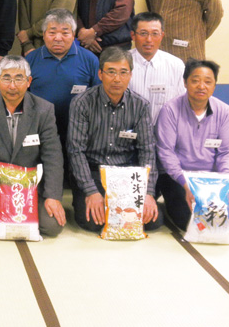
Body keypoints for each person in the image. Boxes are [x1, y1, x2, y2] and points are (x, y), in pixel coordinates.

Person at [0, 55, 66, 238]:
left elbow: (53, 155)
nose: (12, 86)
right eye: (6, 78)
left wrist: (52, 196)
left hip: (30, 187)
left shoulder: (44, 110)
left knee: (52, 226)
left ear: (29, 81)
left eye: (19, 78)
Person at [67, 46, 163, 233]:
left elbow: (147, 150)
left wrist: (148, 193)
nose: (117, 79)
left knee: (152, 222)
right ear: (100, 74)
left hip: (126, 173)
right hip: (94, 170)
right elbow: (75, 150)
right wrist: (91, 192)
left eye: (123, 72)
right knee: (93, 221)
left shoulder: (140, 105)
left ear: (130, 75)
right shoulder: (82, 103)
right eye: (111, 72)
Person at [156, 59, 229, 230]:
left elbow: (228, 153)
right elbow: (166, 152)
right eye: (195, 80)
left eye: (208, 81)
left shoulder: (224, 111)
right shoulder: (170, 110)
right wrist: (186, 185)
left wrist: (226, 184)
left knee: (220, 224)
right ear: (185, 82)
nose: (202, 86)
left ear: (215, 85)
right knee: (190, 222)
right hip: (178, 178)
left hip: (209, 179)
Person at [26, 9, 99, 151]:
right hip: (39, 132)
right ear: (44, 34)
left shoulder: (90, 60)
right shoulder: (30, 60)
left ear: (73, 35)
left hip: (79, 133)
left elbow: (98, 97)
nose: (58, 38)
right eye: (52, 32)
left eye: (65, 33)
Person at [128, 12, 185, 122]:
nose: (149, 39)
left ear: (162, 36)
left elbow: (182, 105)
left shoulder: (176, 65)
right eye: (143, 33)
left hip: (164, 131)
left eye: (155, 34)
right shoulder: (121, 63)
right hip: (128, 131)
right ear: (133, 36)